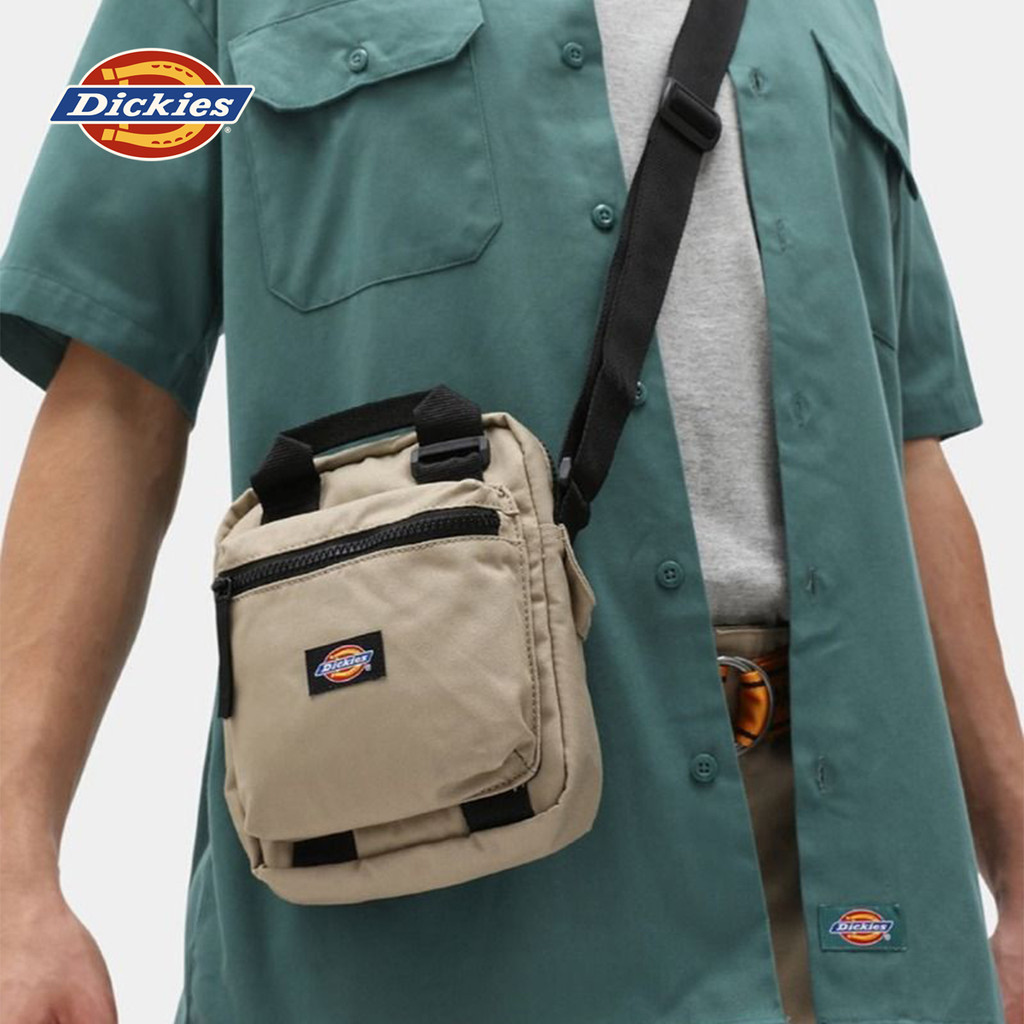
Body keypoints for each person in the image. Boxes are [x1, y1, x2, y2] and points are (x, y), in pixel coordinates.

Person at [1, 0, 1021, 1021]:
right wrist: (12, 876)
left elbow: (905, 448)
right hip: (440, 889)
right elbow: (116, 394)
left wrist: (1017, 871)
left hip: (857, 895)